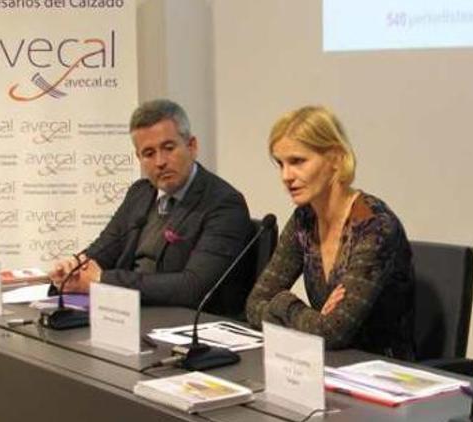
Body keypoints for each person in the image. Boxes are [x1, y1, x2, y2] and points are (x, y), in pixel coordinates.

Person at [48, 99, 253, 315]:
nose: (160, 162)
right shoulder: (140, 193)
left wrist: (102, 280)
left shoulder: (224, 204)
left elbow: (193, 288)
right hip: (131, 315)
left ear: (191, 146)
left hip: (189, 326)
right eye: (148, 153)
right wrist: (74, 269)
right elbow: (103, 250)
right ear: (138, 158)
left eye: (168, 148)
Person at [245, 106, 415, 359]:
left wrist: (282, 303)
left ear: (335, 158)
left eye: (297, 161)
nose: (286, 176)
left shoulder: (375, 226)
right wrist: (314, 320)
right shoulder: (304, 218)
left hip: (381, 370)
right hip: (325, 363)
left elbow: (334, 332)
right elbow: (254, 305)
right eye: (280, 163)